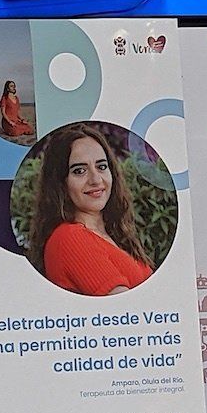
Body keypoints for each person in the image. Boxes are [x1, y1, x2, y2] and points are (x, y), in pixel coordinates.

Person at [29, 124, 153, 296]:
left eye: (101, 167)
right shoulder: (70, 238)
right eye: (80, 171)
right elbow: (125, 309)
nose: (95, 179)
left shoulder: (113, 234)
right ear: (60, 183)